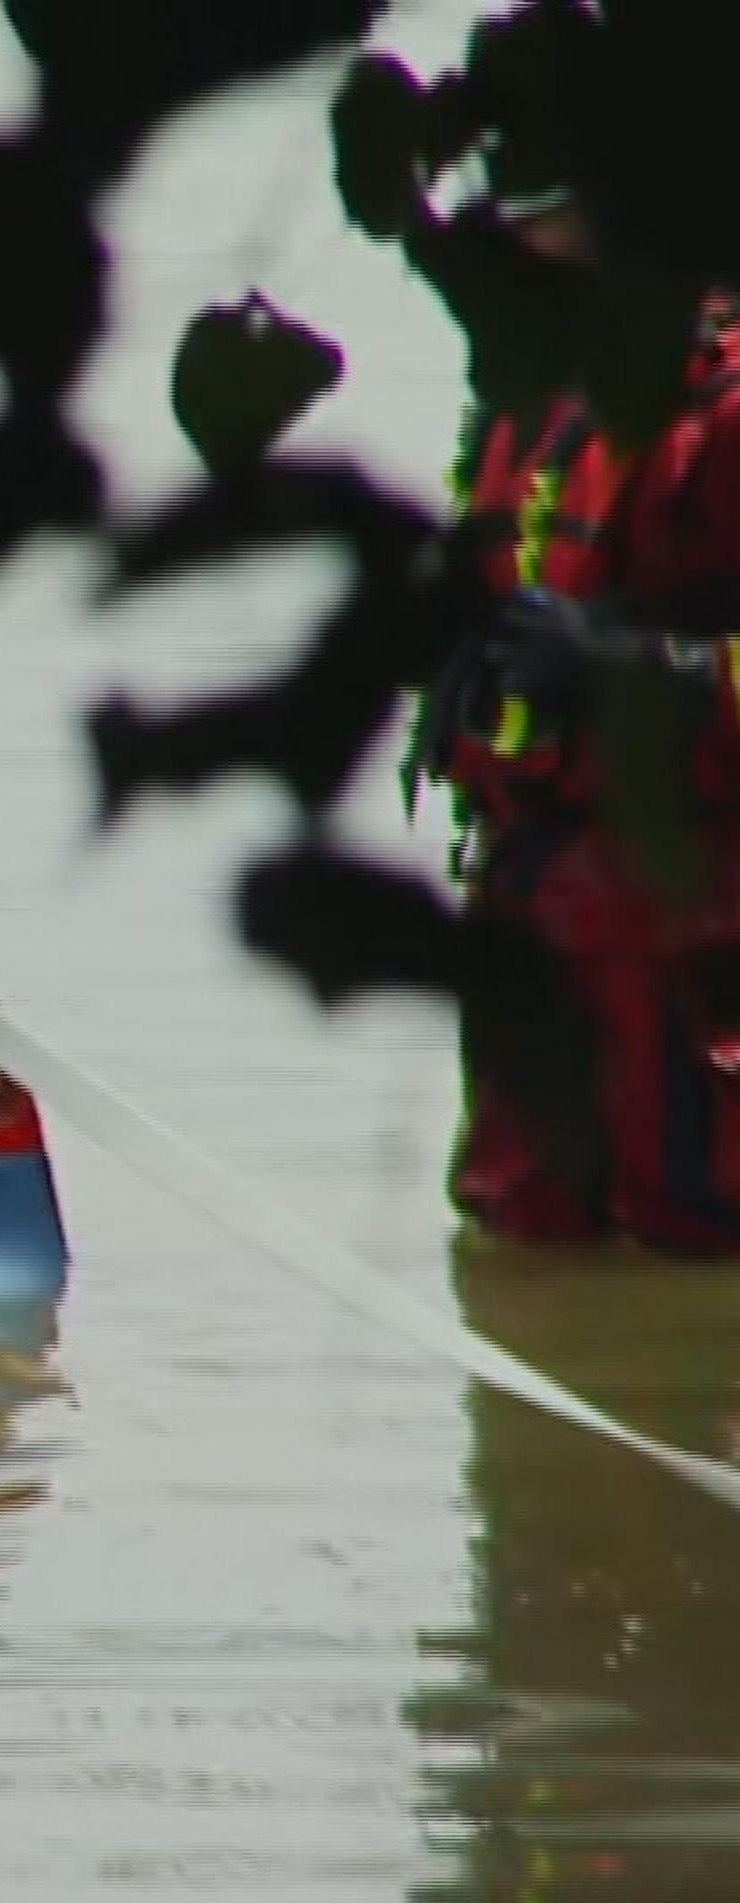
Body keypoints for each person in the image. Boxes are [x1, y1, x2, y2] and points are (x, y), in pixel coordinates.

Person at [419, 169, 740, 1256]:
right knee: (520, 1266)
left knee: (694, 1257)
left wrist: (641, 669)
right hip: (536, 931)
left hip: (696, 950)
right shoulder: (531, 402)